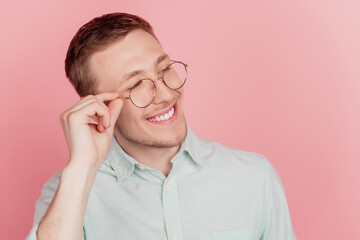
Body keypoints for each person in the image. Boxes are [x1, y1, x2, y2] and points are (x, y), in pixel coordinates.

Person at [26, 12, 297, 240]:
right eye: (135, 85)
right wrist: (82, 168)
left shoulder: (255, 178)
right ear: (100, 107)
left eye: (164, 68)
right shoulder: (66, 195)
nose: (166, 94)